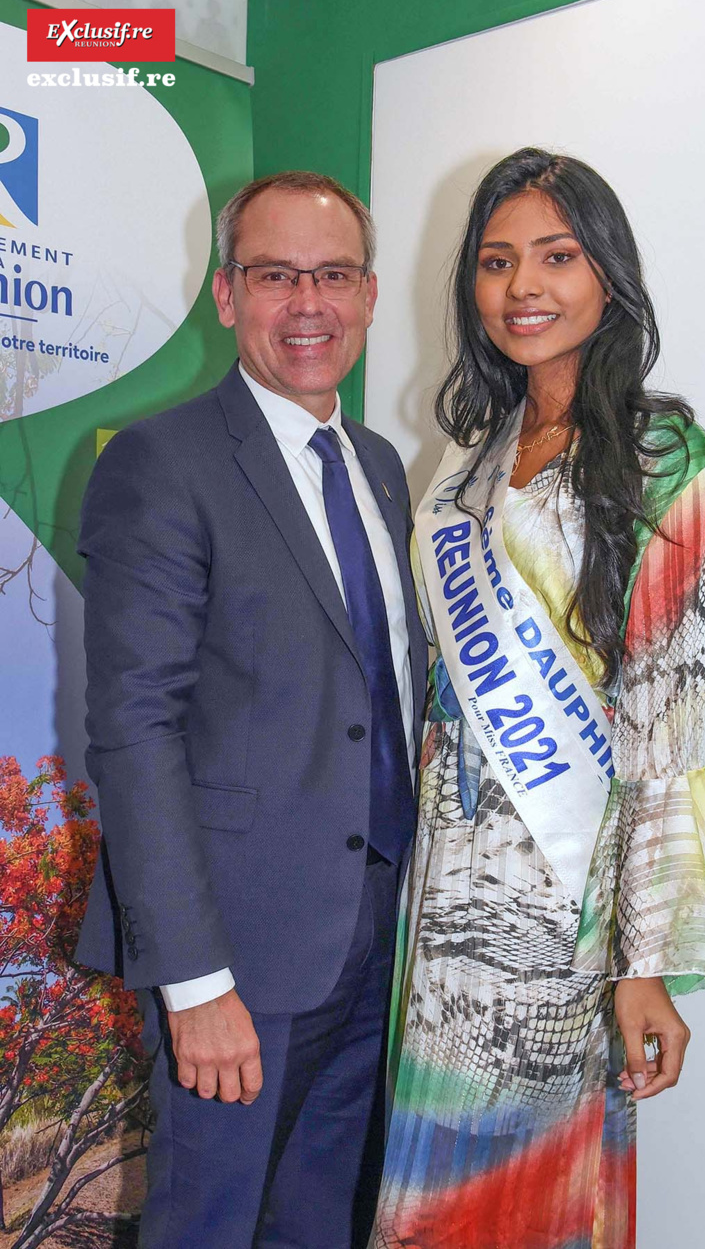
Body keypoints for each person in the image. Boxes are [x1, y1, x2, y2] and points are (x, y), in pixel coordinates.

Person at [372, 149, 705, 1248]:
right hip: (443, 903)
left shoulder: (661, 450)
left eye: (557, 256)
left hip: (568, 907)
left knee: (528, 1190)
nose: (523, 286)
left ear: (608, 276)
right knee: (433, 1187)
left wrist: (647, 961)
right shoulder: (463, 462)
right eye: (495, 261)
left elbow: (666, 715)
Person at [74, 171, 428, 1248]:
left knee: (321, 1219)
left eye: (331, 276)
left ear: (370, 296)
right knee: (209, 1226)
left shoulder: (378, 466)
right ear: (226, 295)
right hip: (240, 948)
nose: (307, 304)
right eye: (276, 275)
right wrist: (196, 981)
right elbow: (134, 729)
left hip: (374, 933)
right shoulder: (160, 461)